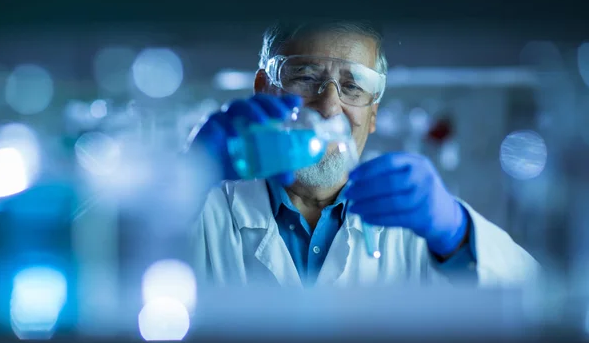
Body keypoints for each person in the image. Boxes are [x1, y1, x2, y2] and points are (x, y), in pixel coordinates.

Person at [186, 20, 540, 287]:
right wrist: (185, 179)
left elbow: (537, 303)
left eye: (353, 86)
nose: (329, 108)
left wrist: (456, 234)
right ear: (265, 90)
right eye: (307, 78)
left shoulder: (414, 229)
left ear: (373, 115)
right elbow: (132, 264)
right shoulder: (203, 213)